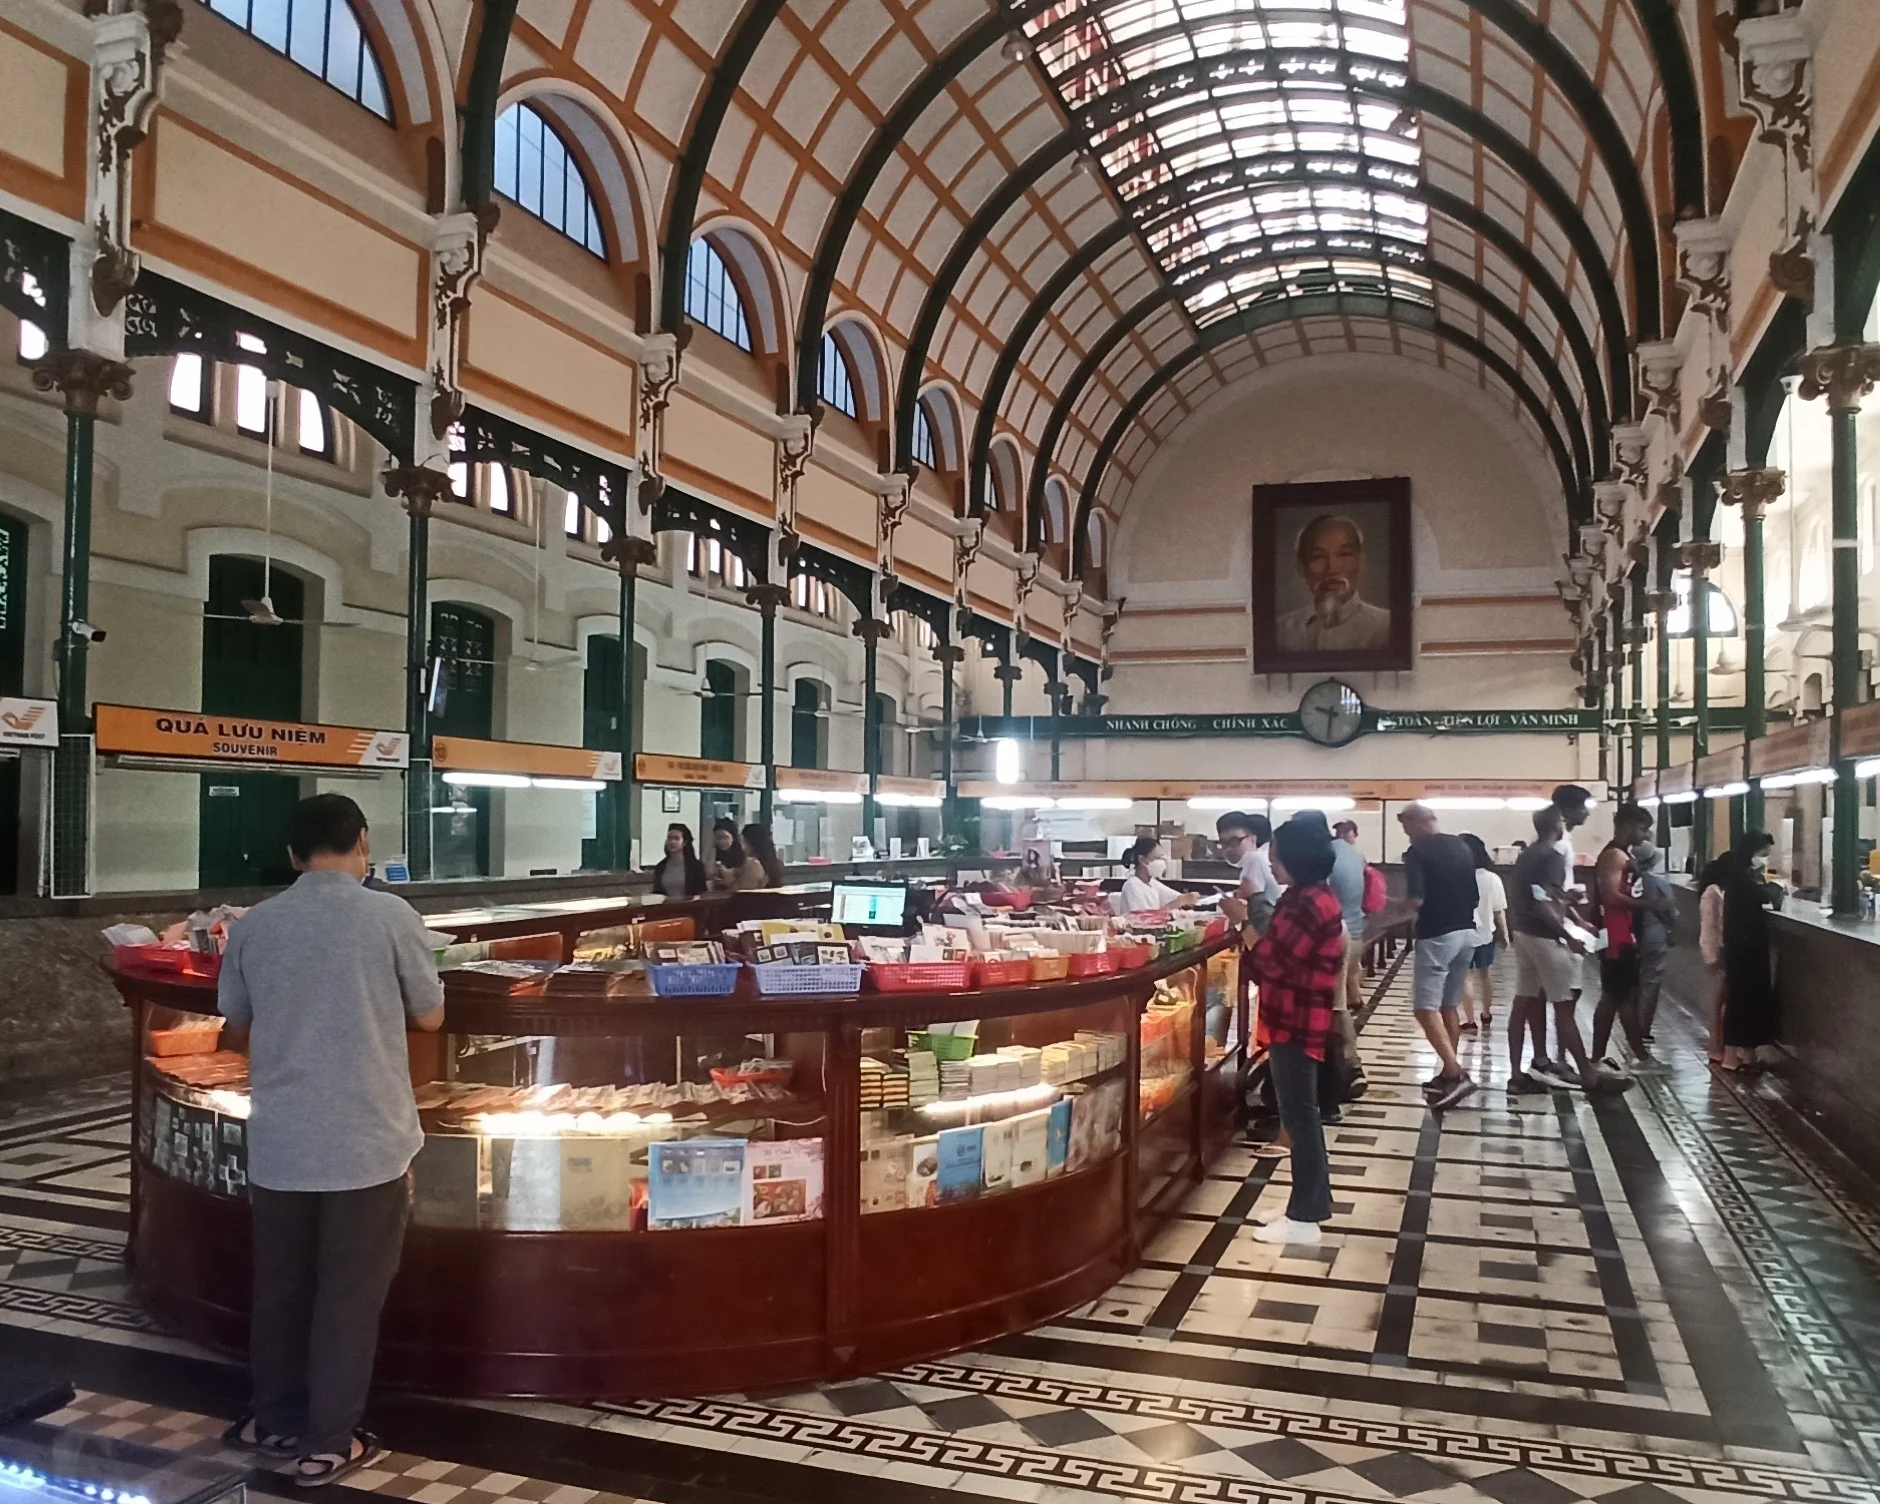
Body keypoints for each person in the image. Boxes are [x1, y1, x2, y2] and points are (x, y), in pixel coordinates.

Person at [216, 794, 445, 1485]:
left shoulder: (257, 924)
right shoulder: (389, 915)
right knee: (347, 1296)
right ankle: (328, 1441)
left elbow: (234, 1017)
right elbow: (431, 1017)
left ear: (292, 854)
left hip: (283, 1138)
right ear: (362, 844)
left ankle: (274, 1419)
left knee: (281, 1289)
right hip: (366, 1140)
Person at [1247, 816, 1345, 1245]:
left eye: (1276, 856)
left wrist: (1245, 925)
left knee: (1301, 1116)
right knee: (1298, 1114)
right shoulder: (1306, 895)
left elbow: (1273, 959)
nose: (1271, 863)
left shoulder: (1308, 902)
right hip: (1296, 1015)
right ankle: (1304, 1204)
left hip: (1297, 1018)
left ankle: (1306, 1218)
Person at [1505, 806, 1628, 1096]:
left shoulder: (1527, 855)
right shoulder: (1553, 856)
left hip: (1523, 932)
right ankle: (1587, 1075)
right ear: (1557, 825)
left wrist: (1564, 899)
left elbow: (1539, 893)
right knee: (1563, 1007)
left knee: (1522, 1002)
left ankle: (1516, 1076)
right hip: (1545, 936)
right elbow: (1541, 903)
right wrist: (1566, 935)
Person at [1397, 803, 1480, 1109]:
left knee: (1424, 1007)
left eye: (1406, 828)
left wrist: (1387, 915)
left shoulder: (1417, 851)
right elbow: (1474, 895)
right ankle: (1447, 1072)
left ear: (1416, 824)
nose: (1407, 834)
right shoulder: (1461, 845)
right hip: (1467, 933)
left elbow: (1416, 899)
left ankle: (1457, 1074)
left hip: (1437, 935)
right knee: (1448, 1005)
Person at [1700, 829, 1780, 1070]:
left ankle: (1743, 1055)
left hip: (1743, 946)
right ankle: (1731, 1056)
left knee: (1741, 1000)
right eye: (1763, 853)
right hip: (1744, 948)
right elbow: (1764, 896)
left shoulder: (1739, 876)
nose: (1764, 859)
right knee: (1739, 1001)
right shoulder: (1740, 878)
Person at [1590, 804, 1661, 1072]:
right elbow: (1610, 897)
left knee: (1622, 996)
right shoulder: (1613, 856)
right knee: (1615, 997)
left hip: (1622, 936)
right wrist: (1649, 905)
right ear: (1628, 824)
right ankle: (1613, 1058)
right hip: (1615, 937)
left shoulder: (1621, 855)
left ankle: (1635, 1056)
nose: (1644, 836)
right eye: (1642, 829)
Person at [1275, 513, 1393, 653]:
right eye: (1318, 557)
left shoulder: (1386, 627)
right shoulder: (1281, 630)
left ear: (1360, 563)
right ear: (1301, 568)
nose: (1332, 568)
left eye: (1344, 554)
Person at [1459, 833, 1507, 1033]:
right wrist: (1505, 935)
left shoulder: (1457, 877)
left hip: (1463, 935)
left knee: (1465, 977)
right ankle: (1486, 1014)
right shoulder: (1492, 878)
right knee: (1485, 975)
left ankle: (1470, 1022)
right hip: (1487, 933)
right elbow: (1499, 910)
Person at [1631, 841, 1676, 1043]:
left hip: (1631, 936)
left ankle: (1630, 1025)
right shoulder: (1660, 884)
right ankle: (1643, 1029)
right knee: (1651, 984)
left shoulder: (1628, 881)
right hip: (1655, 935)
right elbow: (1670, 911)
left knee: (1633, 983)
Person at [1216, 809, 1281, 932]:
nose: (1228, 849)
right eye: (1223, 843)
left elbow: (1249, 909)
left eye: (1234, 841)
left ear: (1252, 839)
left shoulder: (1253, 859)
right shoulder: (1260, 857)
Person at [1118, 836, 1198, 912]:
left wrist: (1188, 898)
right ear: (1142, 860)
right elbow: (1144, 918)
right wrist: (1178, 902)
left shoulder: (1152, 883)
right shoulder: (1132, 885)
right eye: (1158, 858)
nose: (1162, 863)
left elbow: (1176, 897)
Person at [708, 817, 768, 891]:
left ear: (733, 837)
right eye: (717, 838)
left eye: (725, 837)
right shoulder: (713, 854)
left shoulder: (746, 859)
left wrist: (728, 877)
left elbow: (746, 886)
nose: (721, 841)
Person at [650, 823, 707, 898]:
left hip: (690, 907)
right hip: (666, 907)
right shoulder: (660, 867)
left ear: (684, 843)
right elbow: (657, 892)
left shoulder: (695, 866)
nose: (672, 842)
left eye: (676, 838)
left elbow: (701, 892)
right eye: (669, 838)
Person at [742, 822, 786, 887]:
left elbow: (745, 888)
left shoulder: (752, 864)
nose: (742, 846)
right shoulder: (775, 861)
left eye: (743, 841)